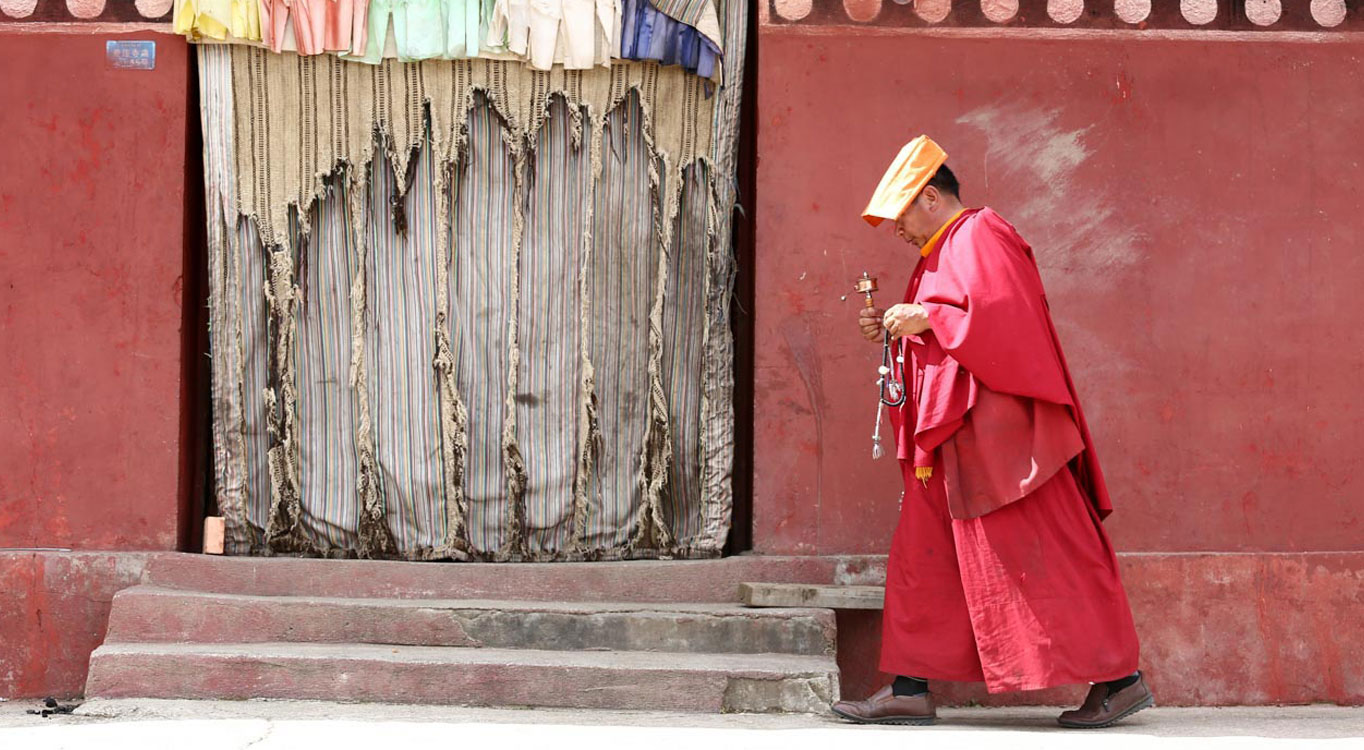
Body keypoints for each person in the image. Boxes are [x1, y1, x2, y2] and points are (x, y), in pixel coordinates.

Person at [830, 136, 1153, 729]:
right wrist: (897, 326)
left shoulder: (981, 232)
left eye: (900, 215)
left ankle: (1120, 681)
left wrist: (928, 316)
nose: (896, 231)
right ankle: (909, 685)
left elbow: (1007, 311)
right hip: (947, 438)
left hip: (1005, 442)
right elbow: (951, 326)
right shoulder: (938, 251)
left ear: (929, 196)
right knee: (923, 558)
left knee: (1053, 550)